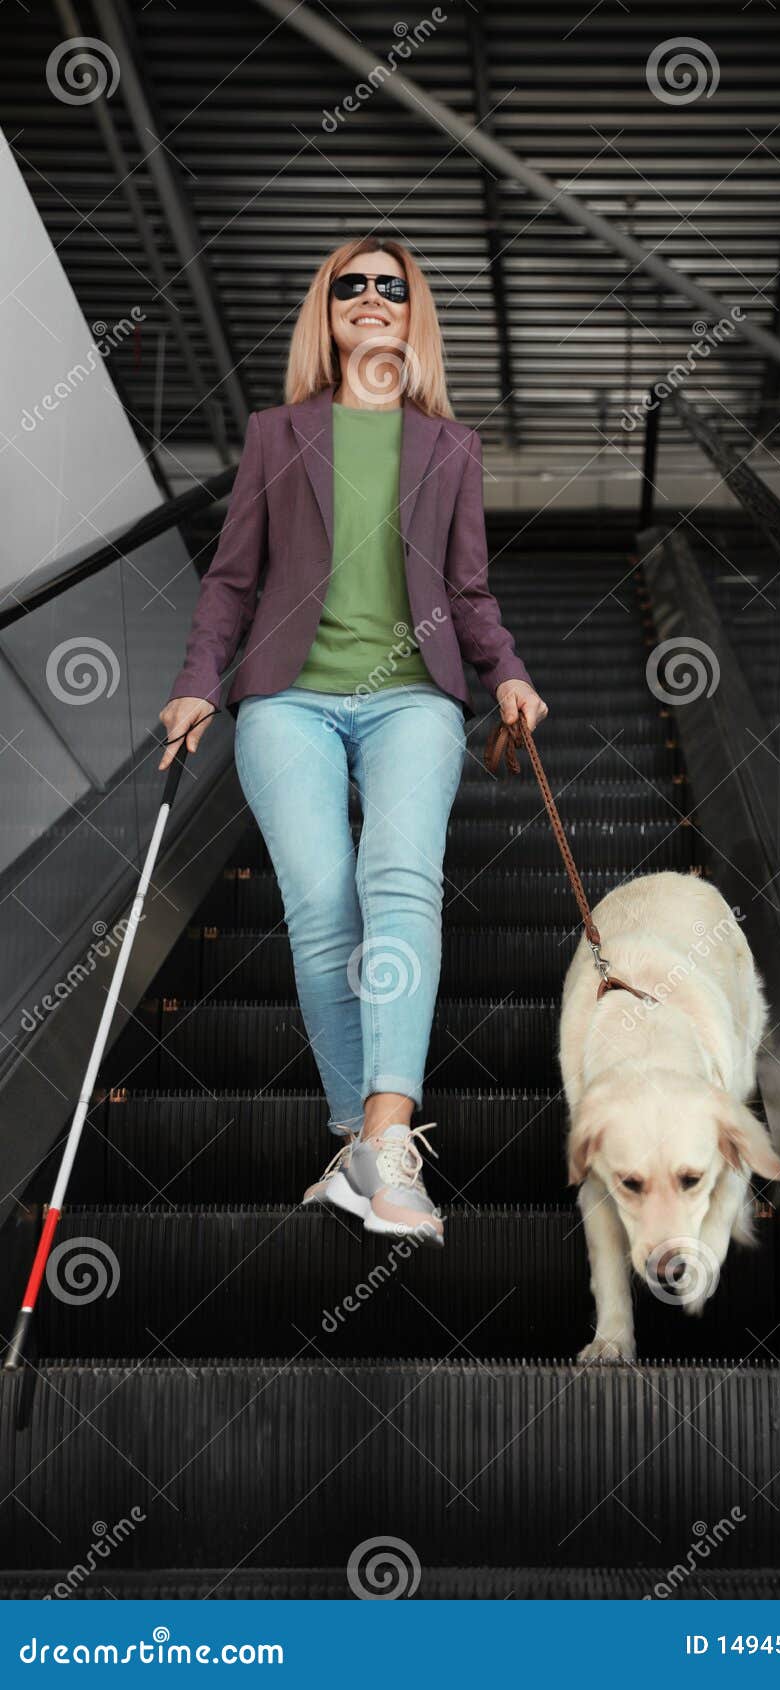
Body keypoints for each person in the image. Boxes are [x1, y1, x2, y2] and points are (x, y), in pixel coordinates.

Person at [158, 233, 548, 1249]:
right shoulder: (277, 432)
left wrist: (503, 667)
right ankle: (354, 1142)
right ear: (326, 312)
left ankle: (387, 1134)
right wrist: (198, 685)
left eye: (391, 286)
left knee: (399, 877)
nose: (371, 298)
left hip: (412, 696)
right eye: (350, 286)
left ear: (412, 312)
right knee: (322, 904)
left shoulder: (449, 446)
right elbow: (232, 579)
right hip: (288, 700)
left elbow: (466, 589)